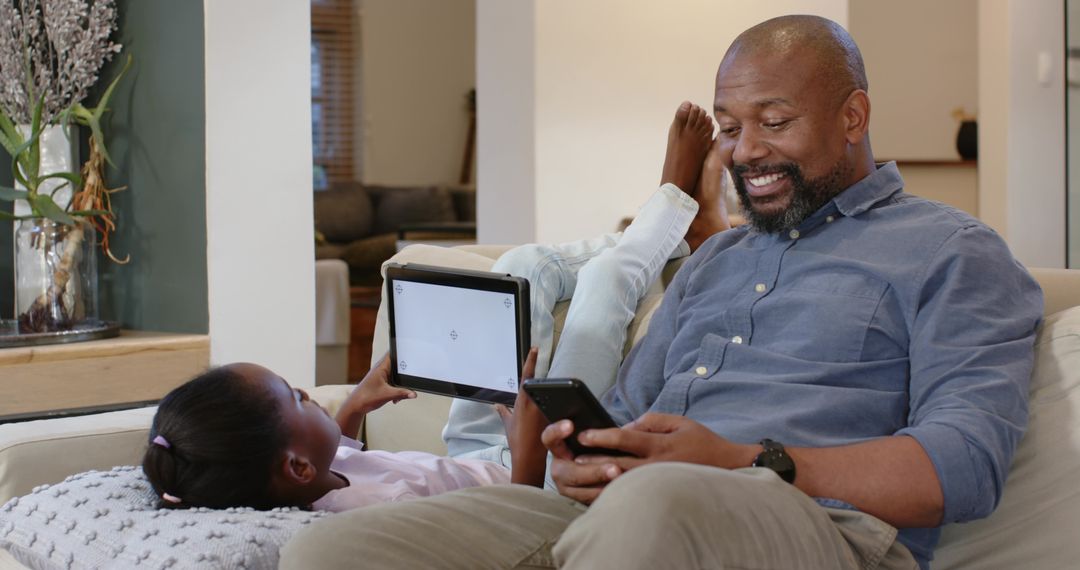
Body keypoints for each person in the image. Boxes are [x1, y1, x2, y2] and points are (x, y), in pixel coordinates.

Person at [277, 14, 1044, 570]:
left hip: (823, 532)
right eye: (730, 128)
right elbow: (632, 421)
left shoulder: (953, 254)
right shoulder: (713, 263)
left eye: (773, 122)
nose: (747, 153)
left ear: (854, 116)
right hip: (630, 521)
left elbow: (962, 466)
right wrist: (592, 458)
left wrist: (743, 460)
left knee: (655, 502)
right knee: (335, 548)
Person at [141, 101, 724, 511]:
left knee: (522, 269)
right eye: (297, 396)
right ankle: (671, 207)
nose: (307, 391)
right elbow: (507, 534)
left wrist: (352, 409)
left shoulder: (299, 480)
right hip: (538, 475)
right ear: (293, 467)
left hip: (471, 449)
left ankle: (669, 225)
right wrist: (525, 449)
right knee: (602, 288)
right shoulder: (364, 522)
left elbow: (332, 457)